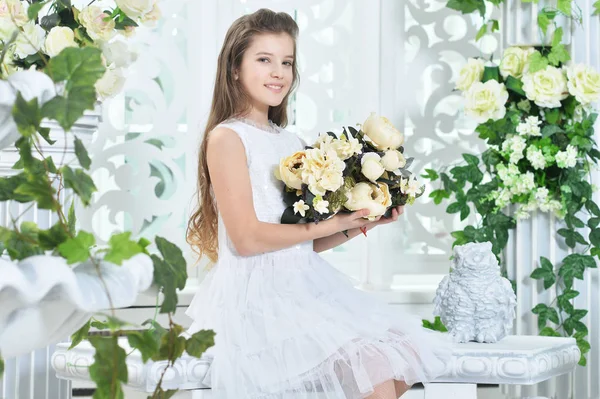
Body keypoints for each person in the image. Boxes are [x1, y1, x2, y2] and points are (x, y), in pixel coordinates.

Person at [186, 8, 450, 399]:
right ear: (234, 69)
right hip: (256, 299)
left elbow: (302, 242)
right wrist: (331, 224)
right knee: (373, 366)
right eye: (264, 60)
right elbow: (246, 239)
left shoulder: (290, 143)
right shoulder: (227, 138)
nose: (278, 72)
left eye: (287, 62)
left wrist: (360, 222)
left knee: (404, 351)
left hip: (302, 285)